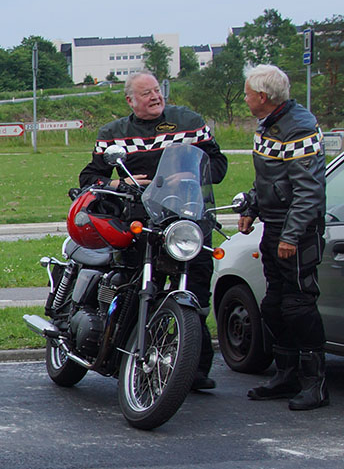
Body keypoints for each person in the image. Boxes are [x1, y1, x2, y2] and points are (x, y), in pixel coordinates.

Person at [79, 71, 228, 391]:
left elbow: (219, 165)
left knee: (196, 294)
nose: (155, 97)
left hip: (188, 220)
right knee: (135, 288)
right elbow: (90, 177)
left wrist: (189, 175)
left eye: (157, 90)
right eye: (146, 93)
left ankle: (195, 368)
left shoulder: (189, 122)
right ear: (130, 100)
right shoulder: (113, 134)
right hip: (140, 221)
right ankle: (129, 359)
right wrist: (118, 182)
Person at [238, 64, 329, 410]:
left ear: (263, 96)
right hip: (274, 226)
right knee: (274, 306)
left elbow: (308, 192)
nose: (245, 99)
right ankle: (286, 375)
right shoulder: (268, 124)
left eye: (247, 94)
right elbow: (268, 179)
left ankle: (315, 384)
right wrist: (251, 207)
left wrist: (291, 236)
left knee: (298, 305)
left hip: (298, 232)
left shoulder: (299, 128)